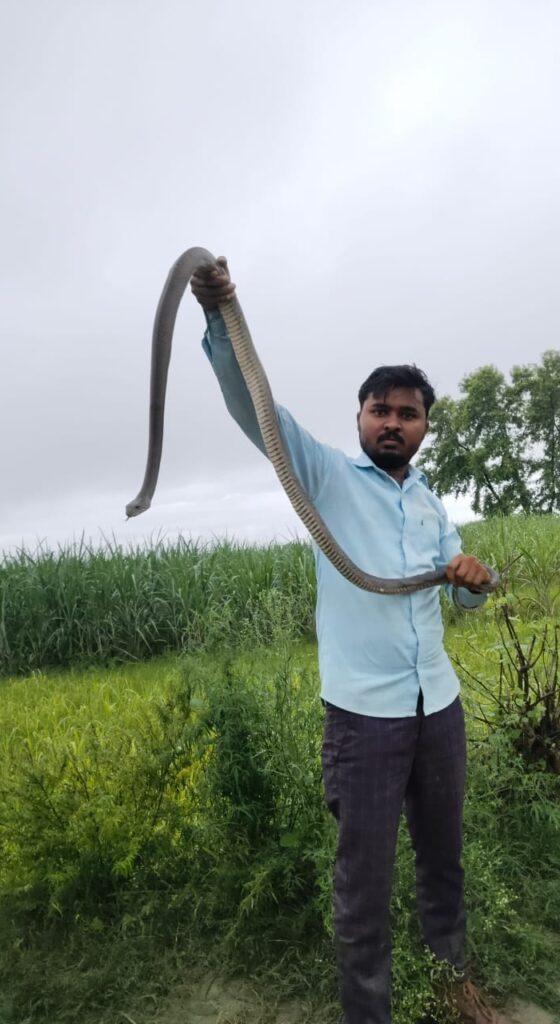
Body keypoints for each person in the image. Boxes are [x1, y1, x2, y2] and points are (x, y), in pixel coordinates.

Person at [190, 259, 509, 1024]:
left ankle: (452, 994)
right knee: (364, 883)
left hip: (440, 711)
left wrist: (474, 576)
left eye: (408, 412)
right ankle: (368, 1015)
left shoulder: (432, 505)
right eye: (378, 409)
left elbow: (464, 598)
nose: (392, 421)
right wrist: (223, 318)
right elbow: (252, 406)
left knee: (443, 865)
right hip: (363, 721)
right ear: (359, 418)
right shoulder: (325, 478)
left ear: (427, 426)